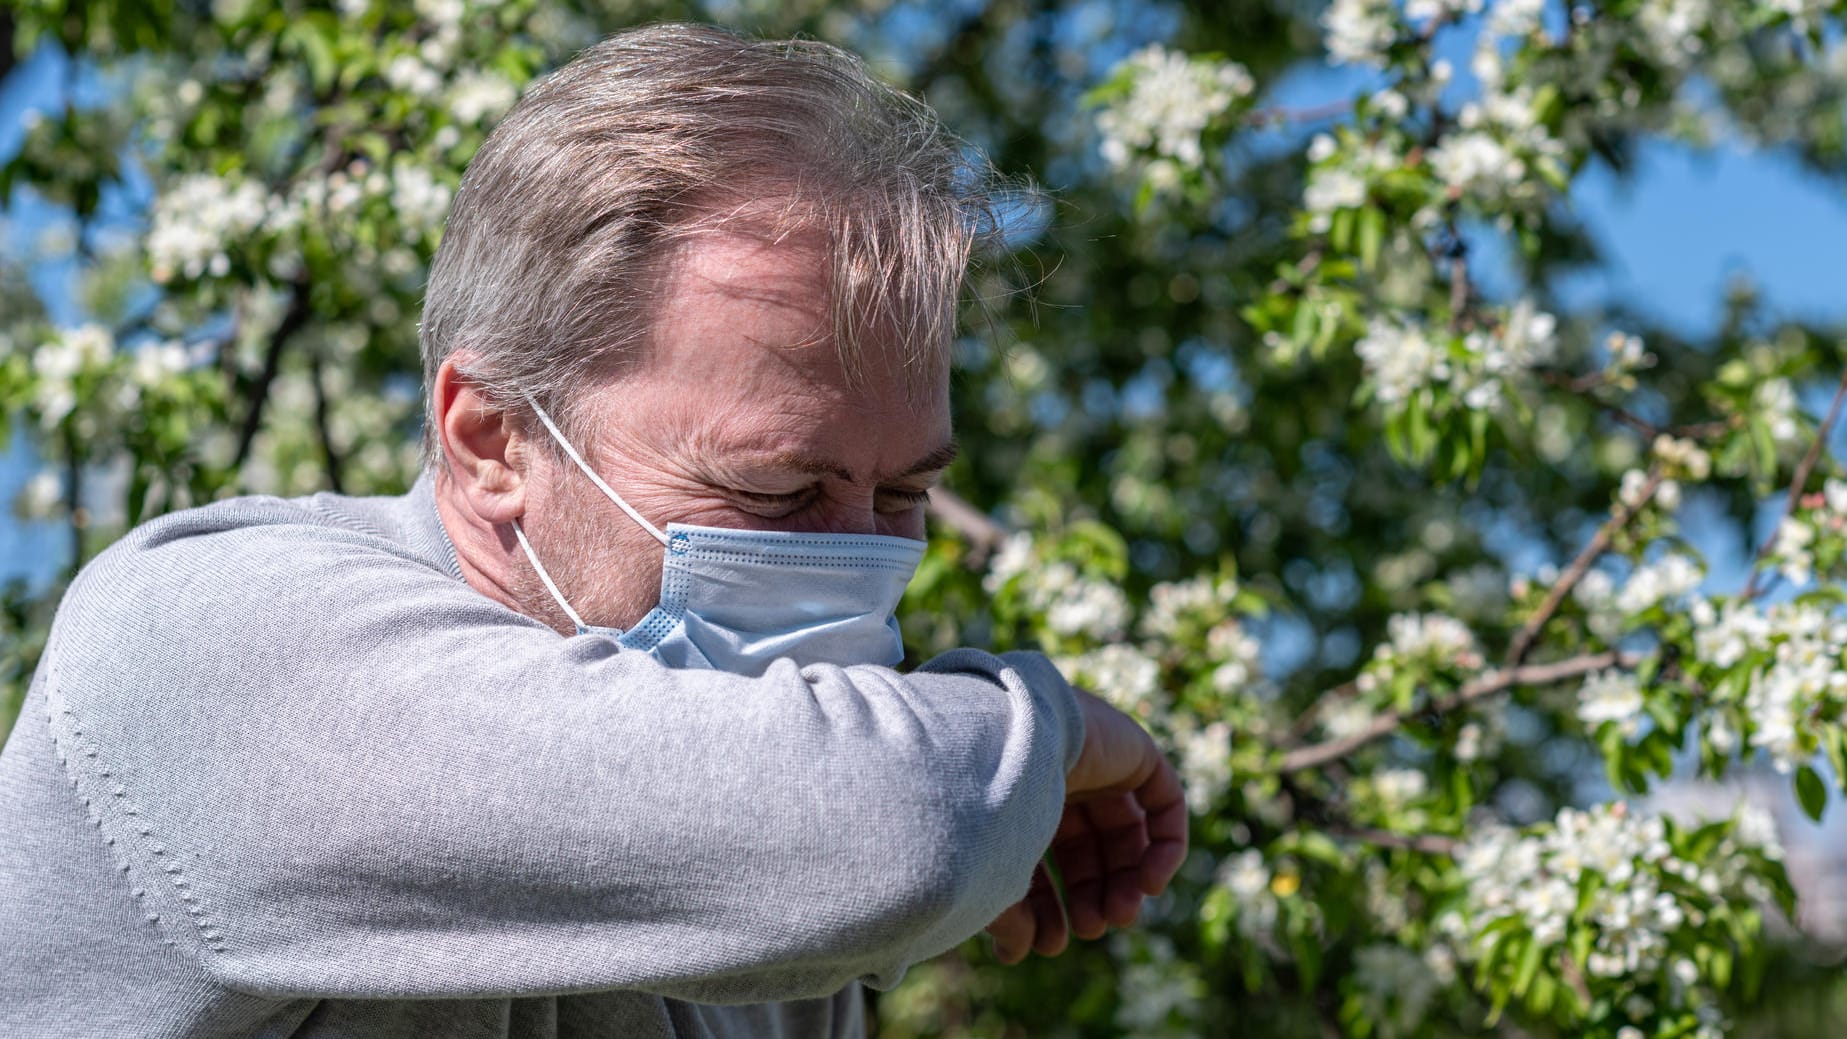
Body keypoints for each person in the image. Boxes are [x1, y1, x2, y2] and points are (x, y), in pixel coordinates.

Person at [0, 23, 1187, 1038]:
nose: (852, 559)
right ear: (491, 437)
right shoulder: (209, 636)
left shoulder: (765, 948)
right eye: (773, 494)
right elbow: (893, 835)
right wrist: (1041, 735)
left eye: (900, 500)